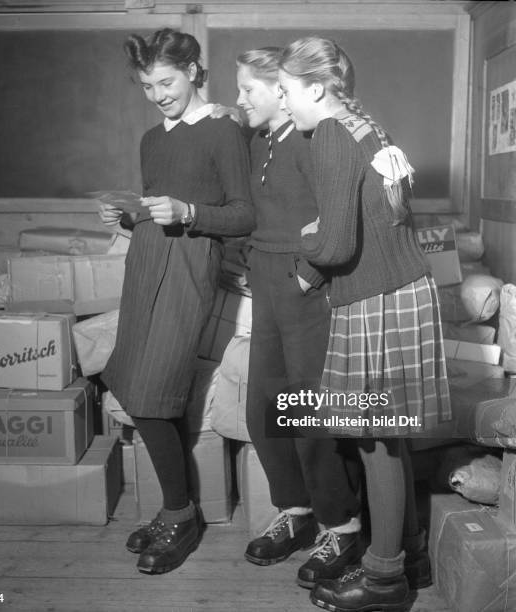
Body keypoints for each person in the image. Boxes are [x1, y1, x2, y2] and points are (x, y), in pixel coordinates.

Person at [278, 37, 451, 611]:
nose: (283, 103)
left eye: (286, 91)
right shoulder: (365, 126)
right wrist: (322, 234)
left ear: (317, 88)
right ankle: (410, 555)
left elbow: (335, 242)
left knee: (374, 440)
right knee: (390, 434)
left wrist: (302, 260)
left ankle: (382, 582)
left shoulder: (327, 133)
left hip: (375, 298)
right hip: (405, 291)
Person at [99, 28, 254, 575]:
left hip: (190, 268)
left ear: (193, 70)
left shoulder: (221, 131)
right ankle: (177, 510)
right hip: (145, 263)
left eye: (166, 81)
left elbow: (243, 214)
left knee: (155, 392)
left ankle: (181, 515)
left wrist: (190, 212)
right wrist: (126, 214)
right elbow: (154, 204)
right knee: (129, 381)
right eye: (146, 85)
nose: (158, 93)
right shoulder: (151, 139)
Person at [233, 47, 363, 585]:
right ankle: (297, 512)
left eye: (249, 90)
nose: (240, 101)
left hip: (305, 288)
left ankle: (343, 525)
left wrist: (309, 274)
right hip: (267, 283)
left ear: (283, 93)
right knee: (263, 411)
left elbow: (341, 217)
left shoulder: (315, 142)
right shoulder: (261, 138)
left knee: (309, 417)